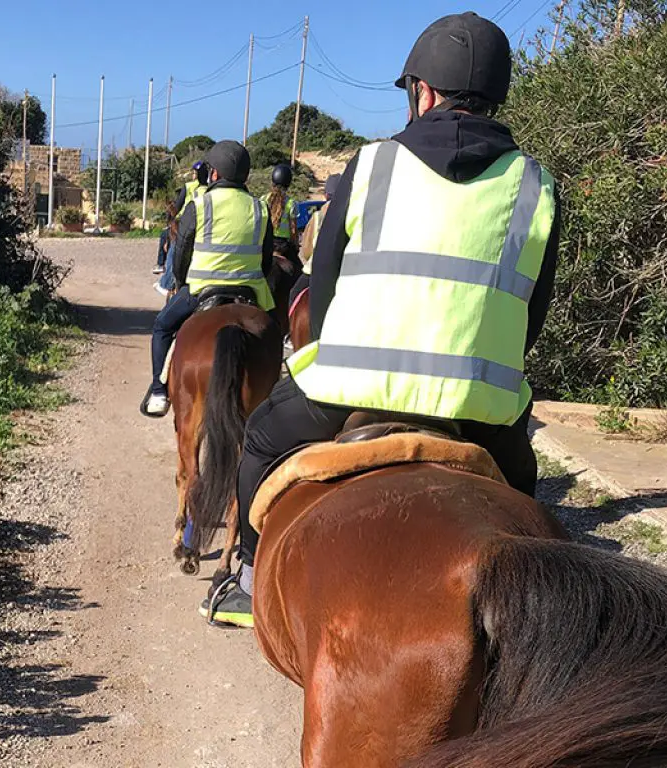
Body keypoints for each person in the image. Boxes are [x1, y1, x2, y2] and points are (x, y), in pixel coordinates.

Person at [202, 11, 561, 628]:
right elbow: (532, 314)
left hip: (352, 386)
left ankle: (248, 580)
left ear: (422, 92)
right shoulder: (537, 185)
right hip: (481, 405)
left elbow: (327, 285)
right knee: (529, 506)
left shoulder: (371, 166)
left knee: (260, 440)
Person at [141, 141, 277, 417]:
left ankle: (158, 389)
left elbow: (181, 254)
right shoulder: (260, 209)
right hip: (250, 291)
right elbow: (265, 260)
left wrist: (179, 282)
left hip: (203, 288)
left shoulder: (199, 206)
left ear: (213, 174)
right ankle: (275, 394)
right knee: (274, 336)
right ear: (245, 177)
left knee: (162, 327)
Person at [152, 162, 209, 274]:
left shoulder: (188, 186)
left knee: (166, 236)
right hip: (204, 221)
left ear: (196, 174)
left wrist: (170, 210)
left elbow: (177, 207)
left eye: (194, 173)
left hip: (184, 221)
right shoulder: (210, 188)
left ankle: (161, 265)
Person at [298, 173, 342, 266]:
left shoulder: (318, 217)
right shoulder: (350, 215)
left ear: (326, 195)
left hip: (318, 268)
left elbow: (306, 252)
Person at [262, 164, 299, 266]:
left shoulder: (263, 199)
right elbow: (293, 230)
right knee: (297, 271)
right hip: (283, 245)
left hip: (265, 242)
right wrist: (295, 245)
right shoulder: (291, 203)